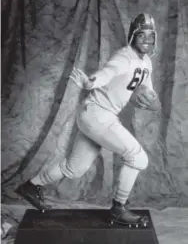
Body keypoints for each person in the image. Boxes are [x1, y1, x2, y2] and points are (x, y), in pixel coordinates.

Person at [15, 13, 161, 226]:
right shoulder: (124, 57)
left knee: (75, 168)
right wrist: (90, 82)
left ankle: (30, 186)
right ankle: (118, 208)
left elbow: (151, 96)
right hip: (97, 113)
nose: (147, 40)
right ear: (133, 36)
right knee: (138, 158)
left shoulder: (146, 62)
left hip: (96, 114)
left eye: (151, 36)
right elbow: (107, 73)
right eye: (142, 35)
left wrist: (153, 102)